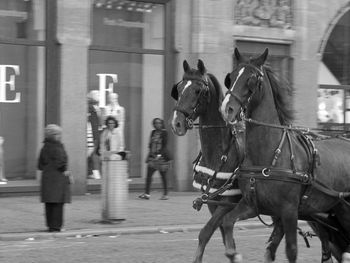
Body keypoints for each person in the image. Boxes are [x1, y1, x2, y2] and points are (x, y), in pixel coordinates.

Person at [38, 124, 72, 232]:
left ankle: (50, 225)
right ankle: (57, 226)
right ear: (54, 135)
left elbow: (39, 165)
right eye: (58, 134)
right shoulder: (58, 147)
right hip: (57, 178)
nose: (60, 136)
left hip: (47, 178)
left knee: (49, 203)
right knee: (58, 203)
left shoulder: (44, 147)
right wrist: (66, 172)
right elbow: (61, 163)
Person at [139, 118, 171, 200]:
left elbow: (164, 145)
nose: (157, 124)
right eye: (156, 123)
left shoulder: (164, 132)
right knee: (149, 176)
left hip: (162, 158)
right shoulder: (153, 132)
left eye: (159, 123)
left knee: (163, 176)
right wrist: (149, 155)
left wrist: (159, 155)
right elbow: (150, 144)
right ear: (153, 124)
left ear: (162, 124)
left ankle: (165, 194)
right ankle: (147, 194)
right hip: (153, 157)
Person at [87, 90, 103, 179]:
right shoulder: (89, 107)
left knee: (93, 154)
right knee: (90, 153)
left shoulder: (96, 108)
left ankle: (93, 172)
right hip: (91, 134)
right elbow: (90, 123)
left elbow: (99, 124)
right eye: (97, 94)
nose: (99, 95)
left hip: (96, 134)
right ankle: (92, 172)